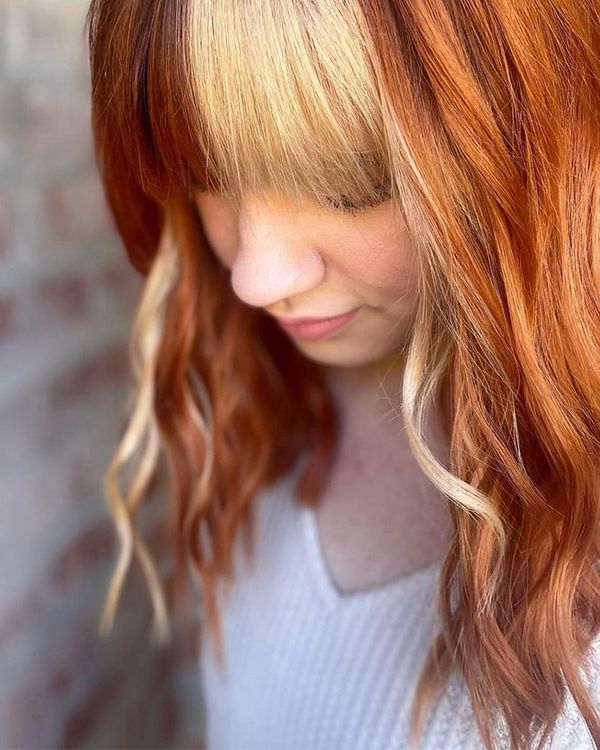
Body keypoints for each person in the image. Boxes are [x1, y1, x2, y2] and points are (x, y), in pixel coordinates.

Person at [84, 0, 600, 748]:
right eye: (208, 172)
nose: (256, 279)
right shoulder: (260, 407)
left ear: (531, 141)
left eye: (347, 182)